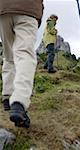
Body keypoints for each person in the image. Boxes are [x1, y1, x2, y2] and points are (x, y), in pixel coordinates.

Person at [0, 0, 44, 128]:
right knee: (24, 54)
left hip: (4, 9)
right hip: (28, 9)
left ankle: (7, 95)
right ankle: (19, 101)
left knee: (9, 56)